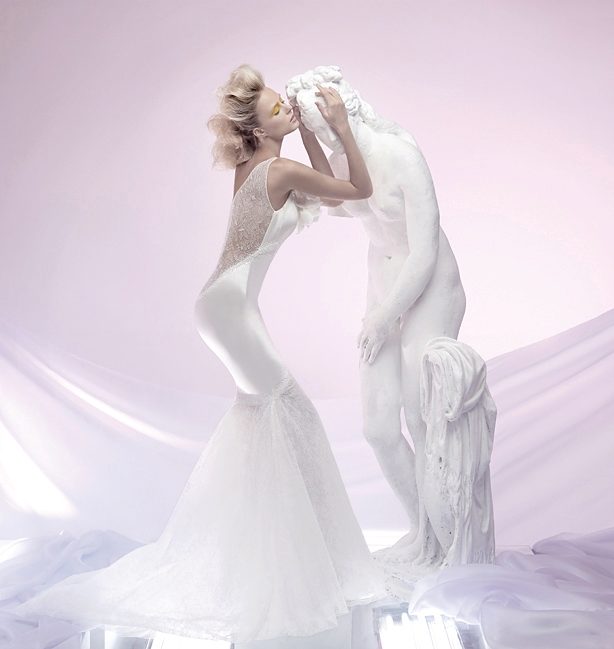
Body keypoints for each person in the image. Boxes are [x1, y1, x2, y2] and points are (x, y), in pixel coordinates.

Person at [11, 64, 389, 644]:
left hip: (225, 306)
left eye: (284, 103)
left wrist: (308, 129)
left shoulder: (259, 165)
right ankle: (281, 565)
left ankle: (277, 553)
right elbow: (358, 191)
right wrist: (337, 126)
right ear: (257, 129)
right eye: (277, 109)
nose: (286, 108)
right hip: (229, 309)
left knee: (270, 420)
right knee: (289, 415)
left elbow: (320, 188)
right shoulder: (278, 169)